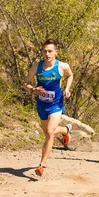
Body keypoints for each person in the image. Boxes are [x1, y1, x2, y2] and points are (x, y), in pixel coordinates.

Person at [23, 39, 74, 177]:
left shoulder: (62, 66)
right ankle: (65, 130)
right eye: (45, 51)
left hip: (56, 104)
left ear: (56, 52)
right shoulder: (36, 66)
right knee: (47, 133)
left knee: (50, 132)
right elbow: (26, 83)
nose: (47, 54)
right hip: (42, 105)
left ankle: (42, 165)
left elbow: (70, 76)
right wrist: (33, 89)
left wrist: (67, 89)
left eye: (50, 51)